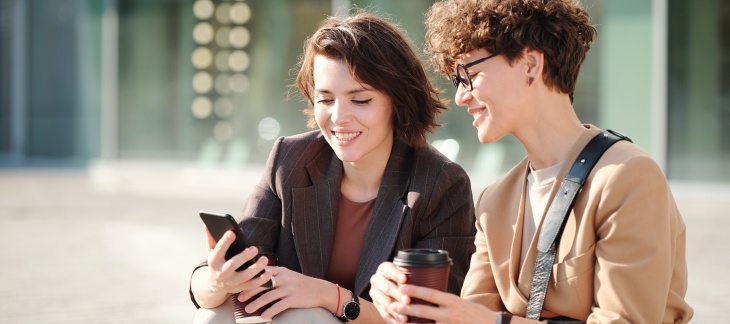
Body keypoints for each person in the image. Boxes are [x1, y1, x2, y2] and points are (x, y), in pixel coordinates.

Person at [370, 0, 693, 323]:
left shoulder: (627, 177)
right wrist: (399, 298)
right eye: (457, 81)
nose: (461, 96)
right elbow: (468, 317)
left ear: (530, 64)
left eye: (470, 74)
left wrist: (496, 321)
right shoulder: (495, 201)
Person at [189, 11, 477, 323]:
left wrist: (332, 297)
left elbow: (436, 316)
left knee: (307, 317)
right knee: (212, 315)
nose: (339, 117)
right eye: (326, 100)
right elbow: (207, 286)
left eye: (361, 100)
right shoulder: (291, 160)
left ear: (399, 101)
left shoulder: (441, 183)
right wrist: (219, 279)